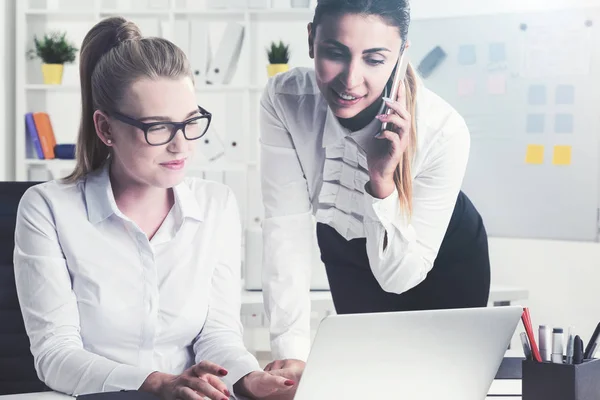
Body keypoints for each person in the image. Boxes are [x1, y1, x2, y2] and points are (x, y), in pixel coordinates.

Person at [13, 17, 297, 400]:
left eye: (189, 122)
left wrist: (246, 379)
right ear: (106, 128)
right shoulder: (47, 208)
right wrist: (157, 383)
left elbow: (217, 334)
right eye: (157, 127)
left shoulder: (217, 205)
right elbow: (56, 355)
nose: (180, 145)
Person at [260, 0, 491, 375]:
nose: (350, 80)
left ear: (401, 54)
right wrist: (291, 353)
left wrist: (382, 183)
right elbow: (285, 225)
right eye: (335, 53)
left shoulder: (442, 129)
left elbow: (399, 277)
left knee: (441, 381)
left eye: (374, 59)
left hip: (437, 254)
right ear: (310, 40)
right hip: (343, 242)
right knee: (365, 376)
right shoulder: (285, 100)